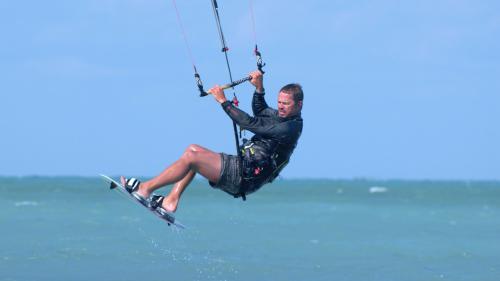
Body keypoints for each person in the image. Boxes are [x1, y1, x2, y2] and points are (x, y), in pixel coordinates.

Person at [121, 70, 303, 213]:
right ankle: (170, 201)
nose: (280, 106)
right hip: (243, 167)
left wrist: (224, 101)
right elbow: (262, 111)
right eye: (279, 102)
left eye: (285, 104)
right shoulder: (281, 117)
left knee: (192, 157)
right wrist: (259, 88)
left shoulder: (290, 128)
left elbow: (249, 123)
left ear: (299, 105)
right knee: (192, 150)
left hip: (245, 176)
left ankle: (145, 189)